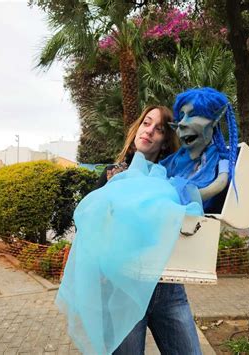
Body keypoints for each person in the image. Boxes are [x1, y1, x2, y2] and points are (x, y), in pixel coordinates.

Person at [94, 105, 202, 354]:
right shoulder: (112, 175)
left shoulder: (175, 179)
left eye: (159, 128)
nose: (149, 130)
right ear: (137, 128)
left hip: (169, 290)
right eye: (146, 123)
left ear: (166, 141)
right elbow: (90, 227)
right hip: (122, 291)